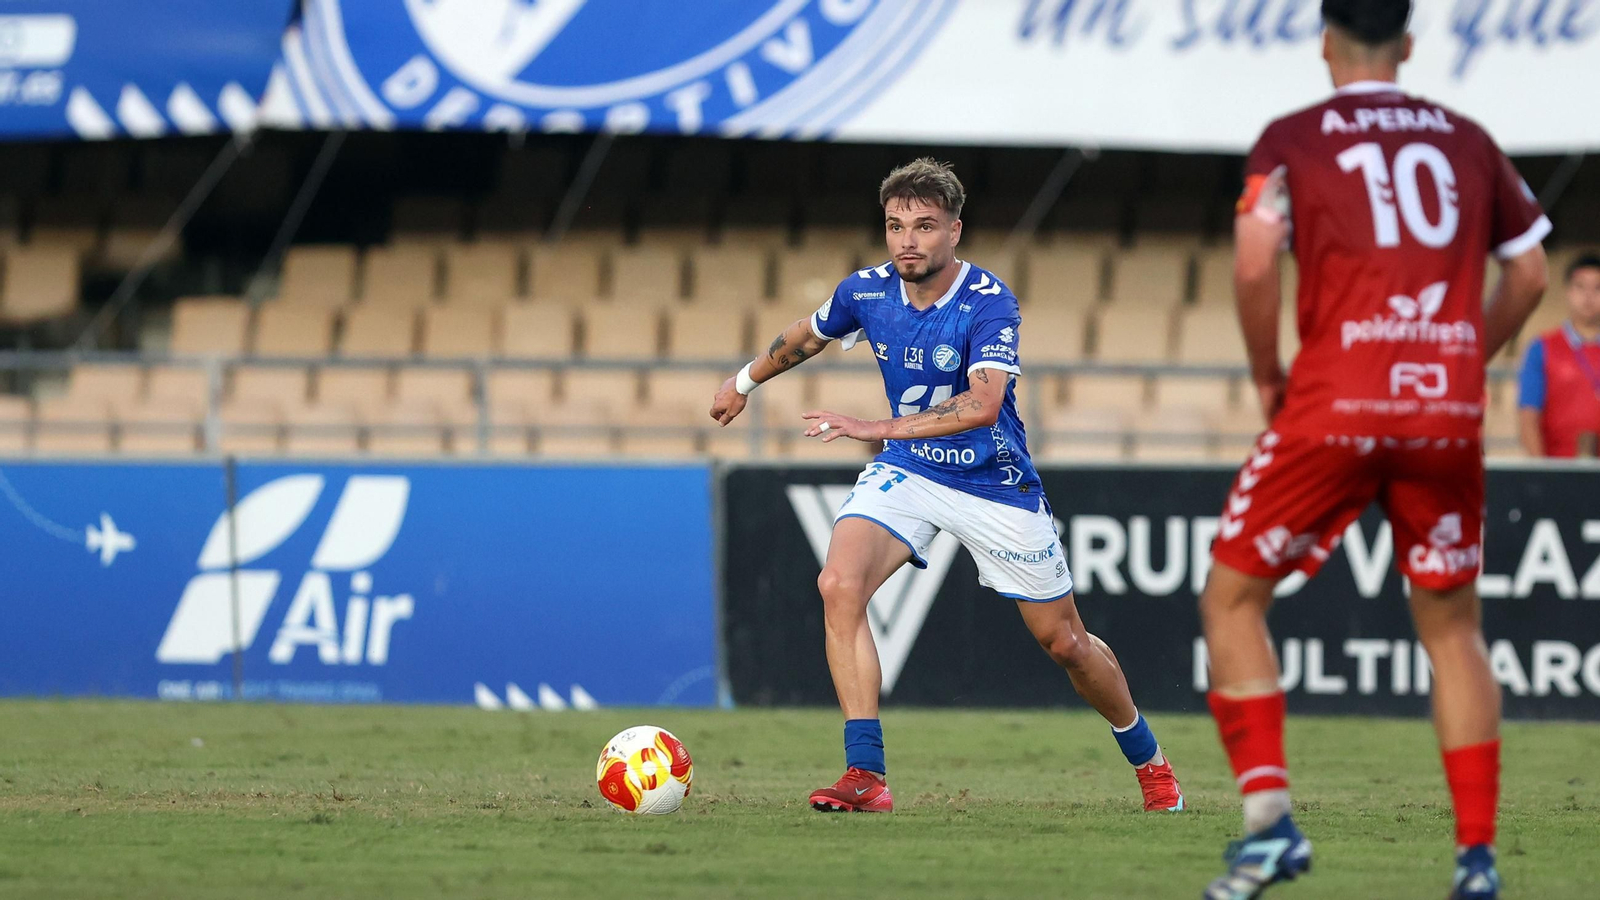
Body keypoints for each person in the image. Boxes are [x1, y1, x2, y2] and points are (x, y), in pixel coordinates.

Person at [1198, 2, 1550, 898]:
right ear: (1410, 43)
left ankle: (1271, 830)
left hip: (1335, 403)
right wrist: (1465, 357)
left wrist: (1268, 374)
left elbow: (1253, 260)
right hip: (1444, 413)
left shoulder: (1291, 138)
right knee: (1454, 629)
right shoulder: (1469, 140)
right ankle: (1476, 861)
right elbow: (1531, 271)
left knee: (1233, 600)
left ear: (1324, 42)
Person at [708, 158, 1184, 815]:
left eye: (924, 226)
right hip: (911, 469)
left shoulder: (988, 302)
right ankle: (866, 774)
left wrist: (872, 426)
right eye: (895, 225)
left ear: (954, 231)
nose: (907, 240)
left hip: (993, 481)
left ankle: (1151, 763)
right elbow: (805, 337)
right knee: (838, 584)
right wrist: (743, 382)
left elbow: (984, 405)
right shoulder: (866, 291)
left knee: (1065, 643)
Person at [1518, 254, 1600, 457]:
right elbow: (1528, 417)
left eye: (1597, 288)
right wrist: (1543, 471)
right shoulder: (1541, 348)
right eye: (1580, 287)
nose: (1588, 296)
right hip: (1558, 466)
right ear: (1568, 291)